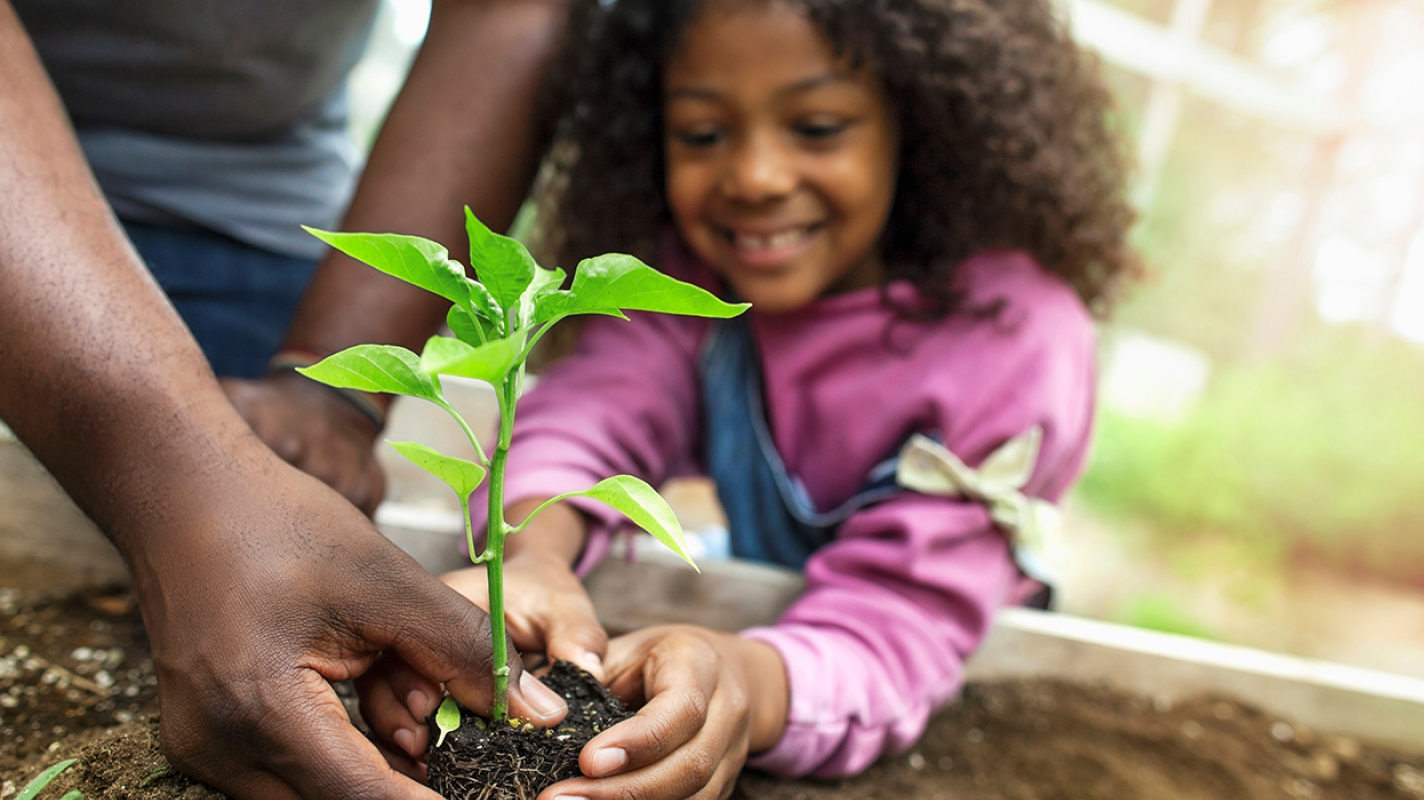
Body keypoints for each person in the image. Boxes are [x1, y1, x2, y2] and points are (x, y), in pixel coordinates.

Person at [359, 0, 1141, 796]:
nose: (756, 177)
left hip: (928, 644)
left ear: (923, 121)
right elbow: (593, 414)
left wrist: (745, 681)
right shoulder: (694, 283)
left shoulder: (1012, 334)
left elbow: (901, 620)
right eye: (702, 134)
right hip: (783, 613)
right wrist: (531, 559)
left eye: (819, 126)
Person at [0, 1, 582, 797]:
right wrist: (177, 468)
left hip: (240, 206)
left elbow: (514, 13)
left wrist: (331, 394)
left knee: (266, 586)